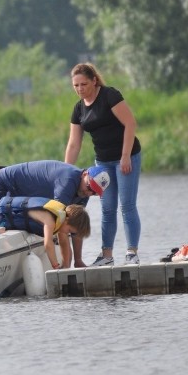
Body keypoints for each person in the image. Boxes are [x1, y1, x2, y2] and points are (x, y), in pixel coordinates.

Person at [64, 62, 142, 266]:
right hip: (103, 162)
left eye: (84, 84)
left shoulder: (109, 95)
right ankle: (107, 256)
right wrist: (64, 172)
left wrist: (125, 156)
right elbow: (74, 144)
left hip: (127, 156)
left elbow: (130, 123)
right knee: (107, 209)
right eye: (76, 86)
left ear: (94, 81)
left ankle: (132, 253)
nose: (80, 89)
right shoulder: (79, 108)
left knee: (127, 205)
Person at [0, 160, 109, 267]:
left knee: (40, 225)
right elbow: (61, 228)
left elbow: (76, 227)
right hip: (2, 184)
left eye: (94, 193)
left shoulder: (84, 192)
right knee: (6, 219)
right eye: (89, 187)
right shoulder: (67, 181)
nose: (89, 193)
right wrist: (65, 266)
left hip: (21, 195)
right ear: (85, 174)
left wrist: (78, 260)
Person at [0, 197, 91, 269]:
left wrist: (66, 267)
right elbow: (48, 244)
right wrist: (56, 266)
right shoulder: (50, 219)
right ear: (67, 220)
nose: (68, 234)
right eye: (70, 231)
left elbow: (65, 247)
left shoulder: (61, 216)